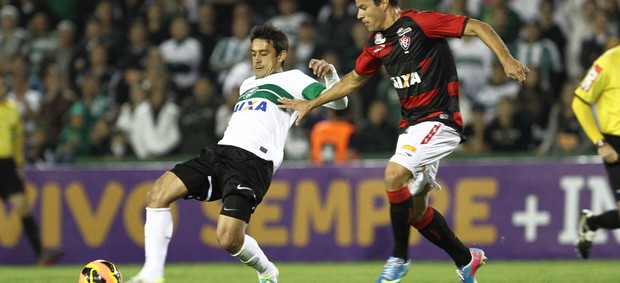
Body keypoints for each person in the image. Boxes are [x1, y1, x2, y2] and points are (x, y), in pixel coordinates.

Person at [278, 1, 529, 282]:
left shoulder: (421, 23)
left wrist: (507, 59)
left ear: (383, 3)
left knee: (393, 174)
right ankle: (466, 259)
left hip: (439, 119)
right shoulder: (377, 42)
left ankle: (399, 257)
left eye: (363, 7)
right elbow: (353, 80)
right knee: (415, 211)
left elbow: (478, 26)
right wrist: (311, 104)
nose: (359, 15)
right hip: (411, 128)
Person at [126, 24, 348, 283]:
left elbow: (339, 103)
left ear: (281, 56)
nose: (257, 58)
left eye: (264, 53)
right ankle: (152, 274)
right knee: (157, 194)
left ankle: (267, 270)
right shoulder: (246, 84)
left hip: (253, 162)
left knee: (228, 239)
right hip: (220, 152)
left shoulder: (295, 79)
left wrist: (331, 76)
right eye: (253, 53)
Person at [0, 79, 64, 265]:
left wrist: (19, 165)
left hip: (7, 164)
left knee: (22, 206)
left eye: (3, 85)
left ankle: (40, 252)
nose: (1, 88)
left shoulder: (12, 109)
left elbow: (17, 140)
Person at [573, 45, 620, 260]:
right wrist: (600, 142)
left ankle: (592, 222)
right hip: (615, 143)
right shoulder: (607, 62)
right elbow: (579, 102)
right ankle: (593, 223)